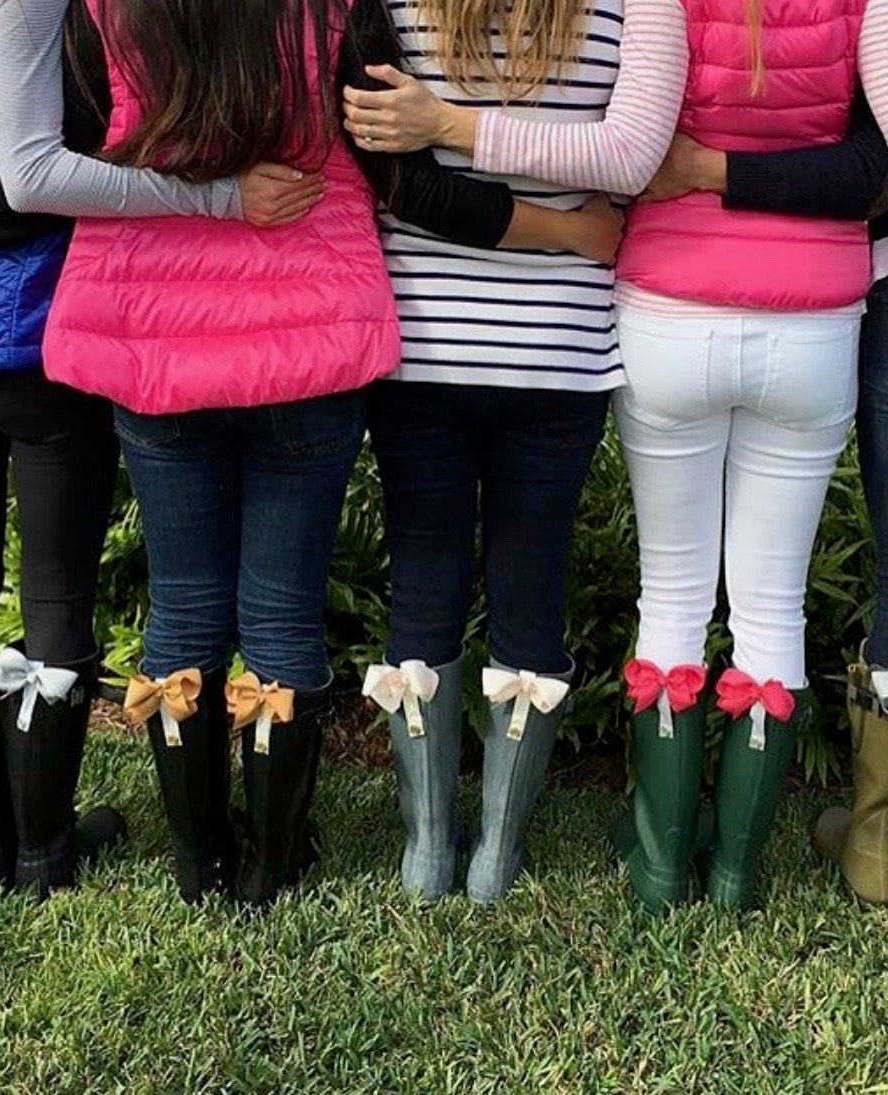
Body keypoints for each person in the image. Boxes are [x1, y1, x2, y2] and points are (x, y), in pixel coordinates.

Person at [0, 0, 618, 906]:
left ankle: (198, 860)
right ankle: (273, 866)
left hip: (150, 331)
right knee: (281, 619)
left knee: (183, 613)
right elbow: (394, 171)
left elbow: (44, 168)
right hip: (310, 327)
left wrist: (194, 194)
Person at [606, 0, 888, 912]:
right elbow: (869, 160)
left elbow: (634, 152)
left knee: (676, 596)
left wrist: (697, 169)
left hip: (687, 304)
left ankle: (669, 865)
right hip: (822, 313)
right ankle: (750, 872)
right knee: (780, 607)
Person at [342, 0, 682, 903]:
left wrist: (449, 122)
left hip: (421, 346)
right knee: (531, 584)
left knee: (424, 580)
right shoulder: (619, 11)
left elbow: (403, 185)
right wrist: (567, 227)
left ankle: (426, 851)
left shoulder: (400, 10)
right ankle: (495, 854)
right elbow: (627, 159)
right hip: (558, 350)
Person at [0, 0, 125, 898]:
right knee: (55, 595)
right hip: (35, 335)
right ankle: (43, 848)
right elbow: (28, 190)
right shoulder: (47, 16)